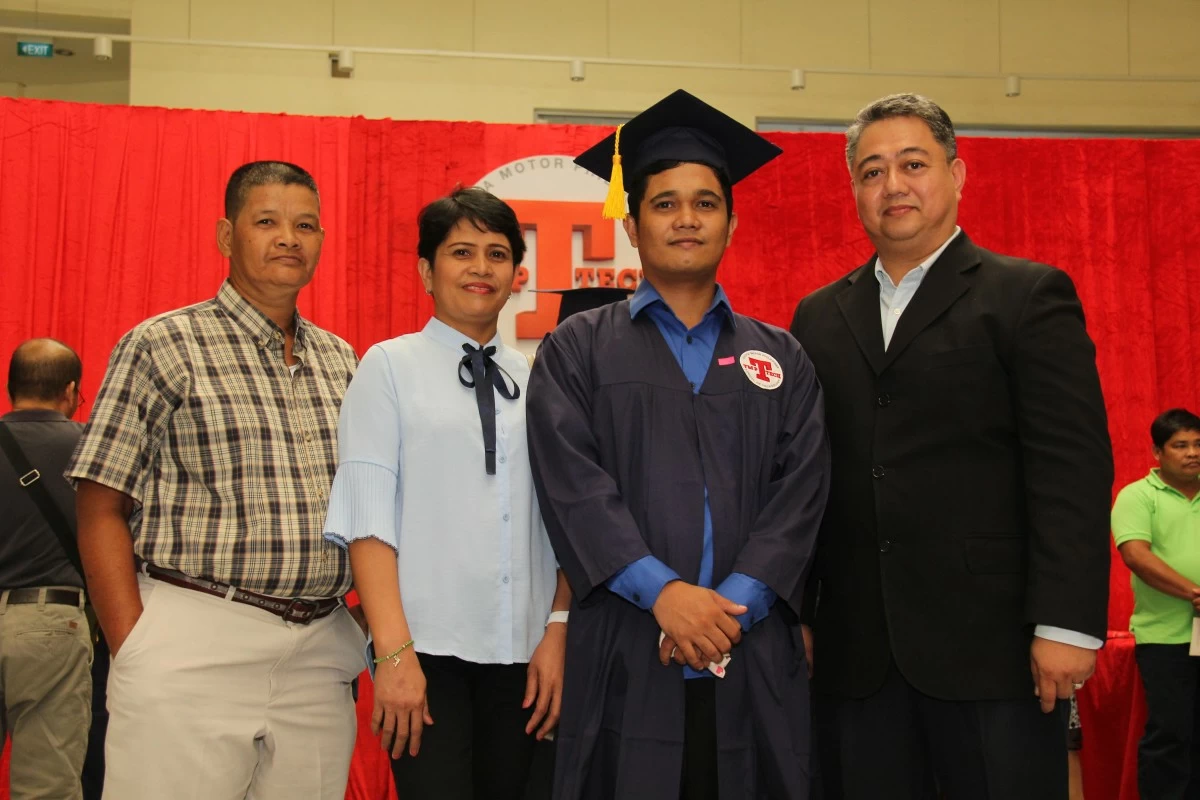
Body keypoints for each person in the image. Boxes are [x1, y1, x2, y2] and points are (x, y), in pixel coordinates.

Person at [790, 93, 1113, 798]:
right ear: (854, 190)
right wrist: (800, 613)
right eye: (871, 172)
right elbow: (808, 480)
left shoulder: (1026, 296)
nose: (893, 185)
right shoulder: (817, 315)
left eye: (913, 163)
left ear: (958, 174)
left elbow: (1071, 469)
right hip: (856, 654)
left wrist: (1068, 624)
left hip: (994, 650)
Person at [527, 89, 831, 800]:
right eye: (664, 204)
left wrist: (728, 611)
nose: (686, 219)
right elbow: (574, 489)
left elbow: (803, 493)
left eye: (705, 202)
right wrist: (663, 595)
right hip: (628, 646)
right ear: (632, 224)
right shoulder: (579, 349)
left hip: (752, 650)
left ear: (731, 218)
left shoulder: (780, 356)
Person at [66, 161, 365, 800]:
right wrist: (135, 645)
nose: (289, 237)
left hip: (318, 651)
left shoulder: (342, 360)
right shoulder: (163, 344)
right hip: (193, 635)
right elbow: (99, 506)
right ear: (226, 237)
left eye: (306, 225)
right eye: (267, 222)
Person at [324, 187, 570, 800]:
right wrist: (394, 654)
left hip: (526, 657)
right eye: (461, 251)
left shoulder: (539, 376)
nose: (480, 268)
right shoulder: (387, 367)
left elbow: (570, 522)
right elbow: (368, 521)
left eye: (496, 253)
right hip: (427, 654)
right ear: (426, 271)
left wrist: (558, 632)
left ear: (518, 274)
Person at [0, 338, 89, 800]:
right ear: (71, 390)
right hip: (49, 621)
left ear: (11, 386)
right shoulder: (91, 450)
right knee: (47, 784)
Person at [1112, 408, 1200, 798]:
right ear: (1157, 453)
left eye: (1198, 444)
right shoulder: (1137, 495)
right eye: (1180, 445)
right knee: (1172, 733)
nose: (1192, 453)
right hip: (1166, 638)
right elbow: (1136, 556)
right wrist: (1195, 593)